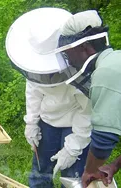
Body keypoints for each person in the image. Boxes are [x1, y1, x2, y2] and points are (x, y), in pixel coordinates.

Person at [5, 8, 92, 187]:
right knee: (40, 173)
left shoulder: (79, 65)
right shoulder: (33, 64)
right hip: (48, 122)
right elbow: (34, 91)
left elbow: (87, 110)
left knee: (73, 177)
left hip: (75, 122)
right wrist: (31, 123)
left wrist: (73, 146)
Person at [56, 10, 121, 187]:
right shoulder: (115, 61)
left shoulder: (105, 73)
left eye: (68, 53)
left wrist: (90, 171)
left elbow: (103, 139)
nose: (68, 61)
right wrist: (115, 165)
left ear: (83, 47)